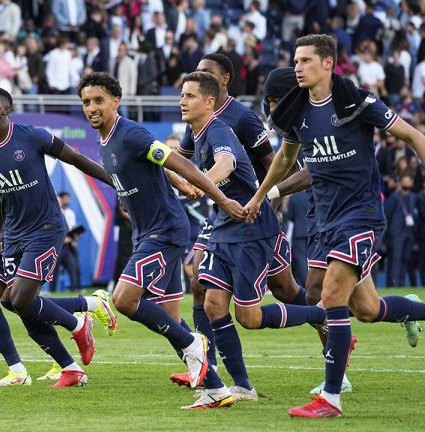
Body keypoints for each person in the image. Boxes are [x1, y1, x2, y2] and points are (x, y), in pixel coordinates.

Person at [244, 34, 425, 418]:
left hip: (359, 214)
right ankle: (412, 309)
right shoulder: (296, 112)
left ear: (328, 63)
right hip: (323, 218)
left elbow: (412, 135)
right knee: (366, 309)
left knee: (330, 297)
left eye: (306, 60)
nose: (297, 67)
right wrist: (261, 196)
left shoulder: (356, 102)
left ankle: (331, 397)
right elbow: (283, 159)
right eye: (295, 61)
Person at [78, 72, 253, 409]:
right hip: (150, 230)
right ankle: (216, 389)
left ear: (116, 102)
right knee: (170, 318)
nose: (92, 107)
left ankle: (194, 346)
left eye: (99, 100)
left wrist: (219, 197)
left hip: (165, 232)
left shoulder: (130, 133)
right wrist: (134, 198)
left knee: (124, 300)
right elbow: (157, 168)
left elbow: (176, 160)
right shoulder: (106, 140)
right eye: (86, 102)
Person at [179, 71, 328, 401]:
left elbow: (226, 164)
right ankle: (239, 384)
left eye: (189, 96)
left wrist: (200, 184)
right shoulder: (196, 132)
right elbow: (181, 163)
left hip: (250, 230)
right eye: (181, 95)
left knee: (251, 316)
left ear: (209, 101)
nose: (182, 101)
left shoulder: (220, 129)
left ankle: (322, 314)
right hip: (224, 228)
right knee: (212, 301)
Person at [0, 87, 113, 387]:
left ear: (6, 109)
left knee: (20, 299)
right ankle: (71, 366)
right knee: (12, 302)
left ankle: (76, 324)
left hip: (45, 229)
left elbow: (74, 159)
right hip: (13, 234)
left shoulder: (32, 136)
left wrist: (114, 182)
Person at [49, 192, 80, 292]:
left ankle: (75, 288)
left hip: (69, 245)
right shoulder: (53, 213)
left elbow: (73, 227)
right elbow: (50, 229)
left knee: (73, 266)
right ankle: (52, 290)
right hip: (58, 245)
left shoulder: (70, 213)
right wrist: (62, 239)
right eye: (64, 198)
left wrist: (75, 237)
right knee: (54, 269)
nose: (66, 200)